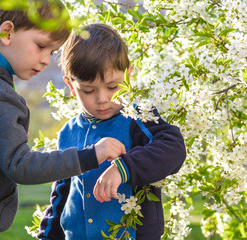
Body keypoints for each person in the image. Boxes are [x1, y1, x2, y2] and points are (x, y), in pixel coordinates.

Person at [0, 2, 126, 240]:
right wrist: (90, 155)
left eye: (52, 52)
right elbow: (20, 165)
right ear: (7, 32)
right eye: (41, 46)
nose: (46, 60)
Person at [37, 23, 186, 240]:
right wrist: (46, 236)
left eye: (113, 87)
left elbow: (173, 147)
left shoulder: (138, 118)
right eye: (89, 90)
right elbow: (61, 194)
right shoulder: (68, 132)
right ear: (71, 86)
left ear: (128, 76)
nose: (102, 99)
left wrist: (124, 168)